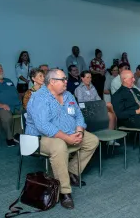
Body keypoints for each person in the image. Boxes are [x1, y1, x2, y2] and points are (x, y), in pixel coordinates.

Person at [26, 69, 99, 209]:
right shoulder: (39, 98)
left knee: (92, 140)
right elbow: (43, 126)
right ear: (52, 82)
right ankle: (64, 192)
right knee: (59, 146)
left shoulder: (68, 95)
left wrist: (79, 131)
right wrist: (67, 138)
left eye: (66, 79)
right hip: (40, 137)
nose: (66, 82)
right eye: (63, 79)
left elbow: (78, 115)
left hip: (70, 132)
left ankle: (71, 171)